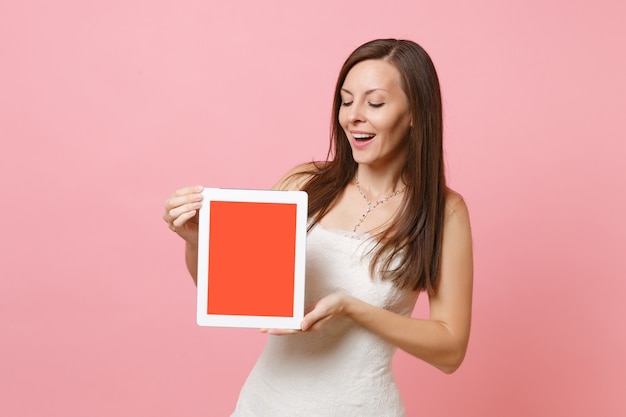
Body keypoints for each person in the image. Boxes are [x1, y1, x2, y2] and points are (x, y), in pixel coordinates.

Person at [163, 38, 473, 417]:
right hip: (264, 404)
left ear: (414, 114)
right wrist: (197, 242)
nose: (353, 116)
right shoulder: (303, 184)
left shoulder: (443, 212)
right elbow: (235, 293)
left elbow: (450, 350)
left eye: (374, 103)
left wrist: (353, 310)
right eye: (346, 101)